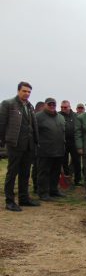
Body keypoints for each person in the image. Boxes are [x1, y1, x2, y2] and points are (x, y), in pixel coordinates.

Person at [0, 82, 40, 211]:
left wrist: (35, 141)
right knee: (12, 173)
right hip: (15, 144)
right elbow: (2, 124)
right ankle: (10, 201)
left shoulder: (29, 106)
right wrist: (2, 142)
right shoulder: (8, 104)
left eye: (29, 92)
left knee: (25, 172)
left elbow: (32, 125)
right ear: (18, 91)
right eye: (24, 91)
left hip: (28, 145)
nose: (27, 94)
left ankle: (24, 198)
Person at [36, 98, 66, 201]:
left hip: (59, 150)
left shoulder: (60, 117)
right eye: (50, 104)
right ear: (45, 105)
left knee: (55, 172)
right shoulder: (38, 117)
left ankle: (54, 191)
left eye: (54, 104)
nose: (52, 106)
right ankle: (43, 193)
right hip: (45, 151)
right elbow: (34, 133)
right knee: (44, 173)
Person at [59, 100, 82, 186]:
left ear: (69, 107)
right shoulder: (58, 115)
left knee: (77, 161)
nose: (63, 109)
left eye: (65, 107)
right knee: (63, 161)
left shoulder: (76, 116)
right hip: (63, 142)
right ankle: (66, 179)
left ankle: (78, 180)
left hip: (74, 142)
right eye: (62, 107)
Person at [31, 101, 45, 193]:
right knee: (37, 167)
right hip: (35, 146)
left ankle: (38, 186)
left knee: (39, 167)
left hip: (42, 146)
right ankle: (36, 186)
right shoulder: (35, 117)